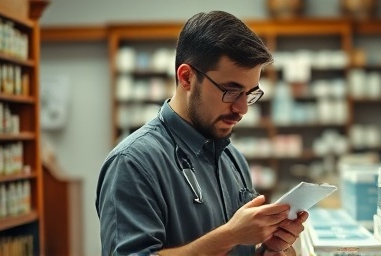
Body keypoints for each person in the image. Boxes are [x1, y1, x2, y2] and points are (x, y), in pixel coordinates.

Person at [96, 10, 308, 256]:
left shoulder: (233, 159)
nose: (242, 109)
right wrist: (230, 235)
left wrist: (269, 251)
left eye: (250, 94)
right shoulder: (132, 163)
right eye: (230, 91)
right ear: (186, 77)